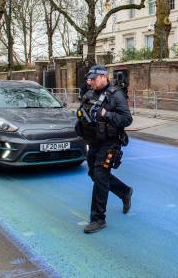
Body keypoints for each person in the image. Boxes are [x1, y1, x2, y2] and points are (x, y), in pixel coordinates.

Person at [76, 65, 133, 234]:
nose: (90, 82)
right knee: (94, 174)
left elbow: (127, 119)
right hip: (94, 140)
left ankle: (98, 219)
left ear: (104, 77)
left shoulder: (116, 96)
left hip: (110, 142)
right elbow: (82, 111)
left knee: (100, 176)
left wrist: (106, 115)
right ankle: (124, 191)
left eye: (93, 79)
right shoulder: (89, 93)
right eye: (89, 79)